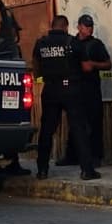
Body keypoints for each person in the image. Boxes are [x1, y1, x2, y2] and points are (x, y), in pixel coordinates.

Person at [32, 15, 99, 181]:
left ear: (52, 25)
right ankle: (87, 170)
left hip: (50, 89)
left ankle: (42, 170)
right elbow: (85, 67)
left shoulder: (41, 43)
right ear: (66, 27)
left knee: (47, 130)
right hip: (71, 89)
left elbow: (36, 69)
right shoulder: (73, 42)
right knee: (79, 129)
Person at [56, 14, 111, 168]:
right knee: (75, 124)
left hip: (91, 89)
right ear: (79, 27)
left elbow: (108, 64)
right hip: (74, 89)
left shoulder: (96, 44)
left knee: (94, 123)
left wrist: (93, 64)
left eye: (91, 26)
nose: (89, 29)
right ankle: (72, 156)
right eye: (86, 26)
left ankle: (95, 157)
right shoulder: (70, 43)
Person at [0, 13, 30, 176]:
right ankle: (13, 163)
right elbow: (16, 70)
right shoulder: (10, 46)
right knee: (11, 127)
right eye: (15, 30)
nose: (17, 34)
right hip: (6, 93)